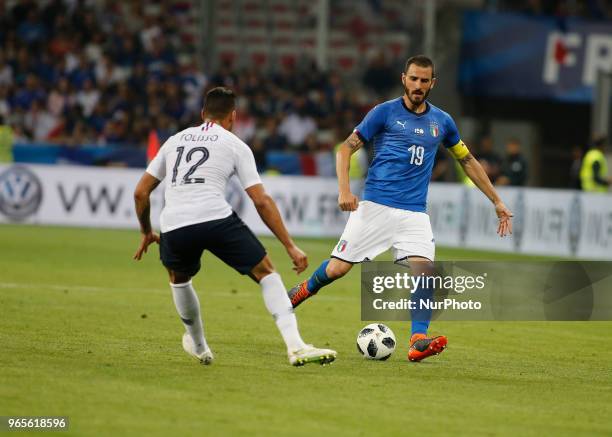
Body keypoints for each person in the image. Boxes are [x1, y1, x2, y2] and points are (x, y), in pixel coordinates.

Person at [287, 55, 513, 362]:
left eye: (424, 81)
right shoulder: (384, 113)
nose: (418, 86)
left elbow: (467, 160)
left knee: (426, 273)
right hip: (375, 207)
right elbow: (345, 148)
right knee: (338, 268)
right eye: (413, 79)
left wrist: (497, 201)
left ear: (432, 83)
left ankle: (418, 340)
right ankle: (302, 291)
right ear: (403, 78)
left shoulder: (442, 122)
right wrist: (344, 190)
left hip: (414, 213)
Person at [133, 87, 336, 367]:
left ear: (203, 113)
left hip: (174, 222)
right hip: (214, 216)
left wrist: (146, 231)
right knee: (266, 272)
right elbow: (261, 201)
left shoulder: (173, 141)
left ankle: (200, 346)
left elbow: (141, 193)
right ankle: (295, 346)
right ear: (233, 117)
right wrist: (289, 244)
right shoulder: (235, 144)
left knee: (179, 279)